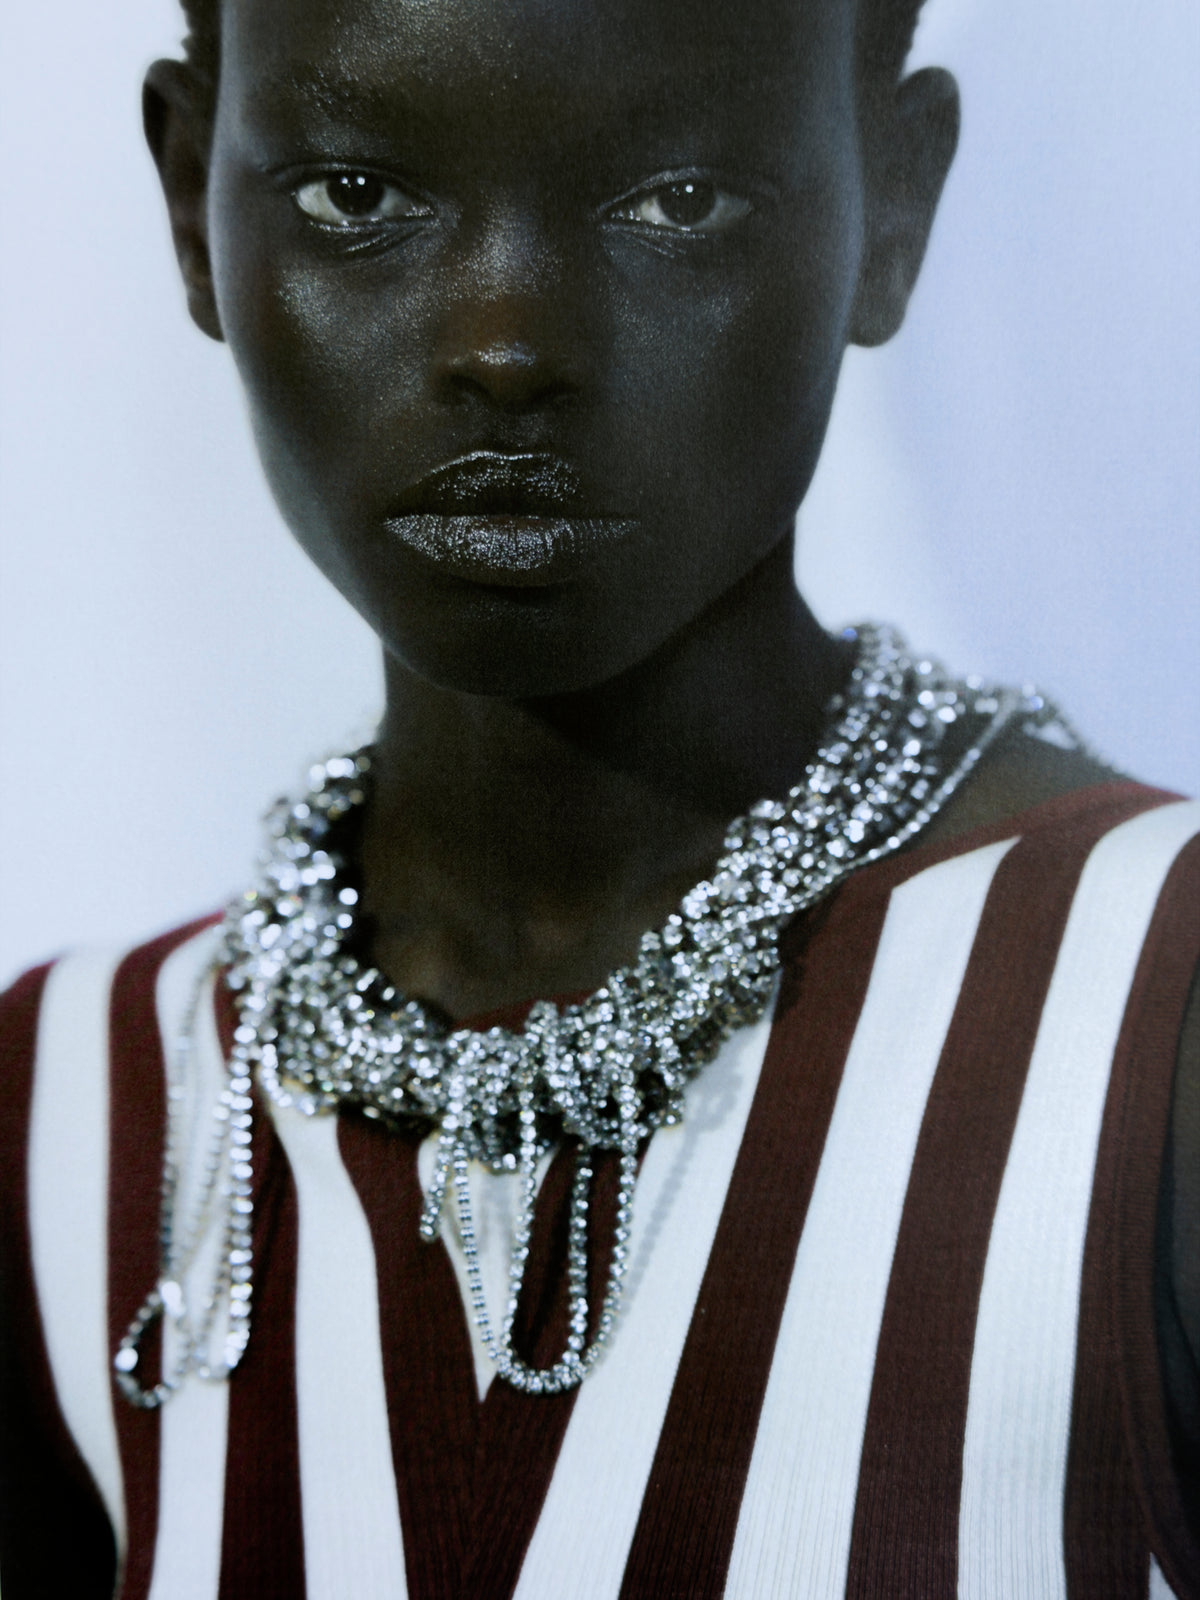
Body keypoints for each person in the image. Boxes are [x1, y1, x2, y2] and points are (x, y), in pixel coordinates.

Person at [1, 0, 1196, 1595]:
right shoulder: (70, 1121)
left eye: (679, 200)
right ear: (189, 201)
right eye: (357, 194)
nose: (505, 344)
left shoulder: (1150, 1019)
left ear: (893, 205)